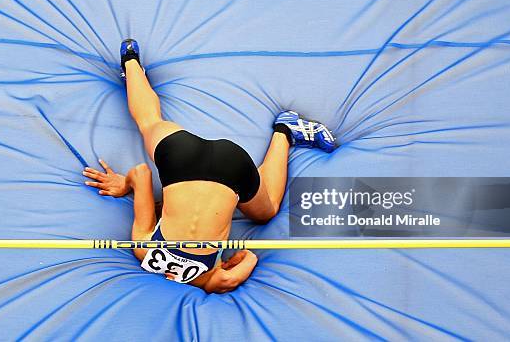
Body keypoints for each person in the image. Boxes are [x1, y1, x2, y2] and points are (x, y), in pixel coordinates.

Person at [82, 39, 337, 293]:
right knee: (149, 121)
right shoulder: (143, 249)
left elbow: (247, 260)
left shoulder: (211, 279)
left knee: (267, 210)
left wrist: (240, 258)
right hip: (181, 156)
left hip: (231, 164)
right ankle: (130, 60)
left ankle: (285, 130)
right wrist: (122, 185)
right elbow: (141, 173)